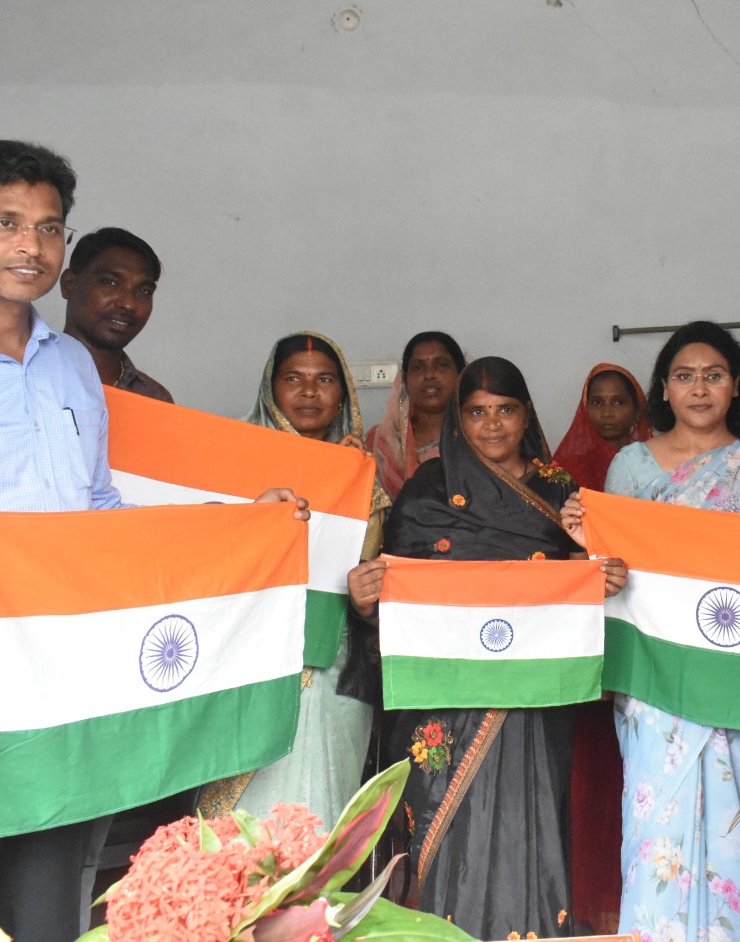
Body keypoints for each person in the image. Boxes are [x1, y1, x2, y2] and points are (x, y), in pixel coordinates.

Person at [0, 139, 302, 940]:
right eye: (4, 223)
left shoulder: (72, 369)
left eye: (49, 228)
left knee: (49, 910)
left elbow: (100, 514)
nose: (30, 246)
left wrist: (238, 522)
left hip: (65, 694)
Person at [348, 356, 625, 939]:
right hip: (450, 694)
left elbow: (586, 585)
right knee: (449, 826)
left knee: (532, 813)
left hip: (533, 696)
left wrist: (597, 569)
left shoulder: (560, 492)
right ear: (458, 419)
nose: (492, 424)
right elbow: (397, 594)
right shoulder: (427, 491)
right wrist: (367, 601)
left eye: (506, 410)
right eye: (477, 412)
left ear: (527, 416)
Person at [595, 321, 740, 942]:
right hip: (657, 686)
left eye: (713, 376)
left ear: (735, 385)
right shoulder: (631, 467)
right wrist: (598, 565)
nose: (699, 389)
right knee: (657, 834)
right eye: (684, 376)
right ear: (664, 388)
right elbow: (617, 579)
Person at [196, 331, 390, 831]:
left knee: (318, 806)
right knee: (244, 826)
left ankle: (313, 886)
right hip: (246, 656)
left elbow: (368, 575)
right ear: (270, 389)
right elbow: (202, 555)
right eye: (293, 379)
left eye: (324, 380)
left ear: (343, 395)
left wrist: (344, 481)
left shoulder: (364, 477)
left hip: (332, 663)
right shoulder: (231, 463)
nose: (308, 392)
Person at [550, 362, 652, 933]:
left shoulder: (656, 470)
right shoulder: (561, 476)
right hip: (586, 643)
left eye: (620, 401)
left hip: (644, 641)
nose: (609, 412)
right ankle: (588, 907)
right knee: (588, 778)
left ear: (638, 408)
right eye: (599, 402)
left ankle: (629, 904)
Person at [58, 227, 172, 401]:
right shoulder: (26, 373)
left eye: (143, 291)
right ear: (69, 284)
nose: (128, 304)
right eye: (110, 282)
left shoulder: (154, 399)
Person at [367, 331, 466, 498]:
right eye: (417, 368)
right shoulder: (380, 442)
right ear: (405, 380)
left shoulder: (480, 438)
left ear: (460, 375)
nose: (429, 375)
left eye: (442, 365)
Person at [552, 363, 652, 493]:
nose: (606, 413)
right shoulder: (569, 470)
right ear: (585, 409)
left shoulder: (655, 464)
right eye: (597, 402)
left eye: (618, 402)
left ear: (636, 410)